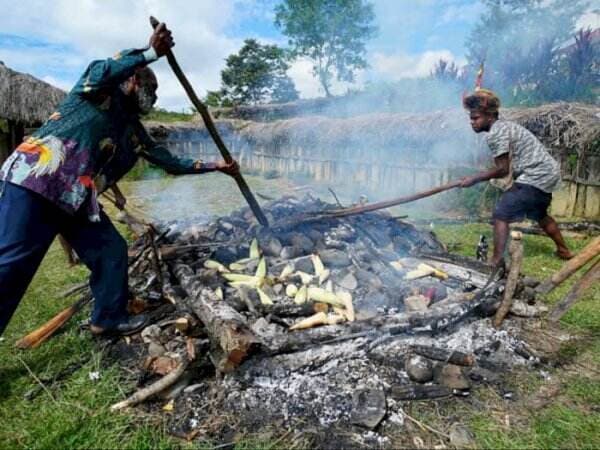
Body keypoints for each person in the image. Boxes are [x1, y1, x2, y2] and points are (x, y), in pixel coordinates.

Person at [0, 23, 239, 337]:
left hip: (74, 199)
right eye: (149, 90)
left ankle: (108, 318)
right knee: (12, 265)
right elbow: (105, 69)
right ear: (132, 81)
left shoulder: (131, 130)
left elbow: (169, 161)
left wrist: (217, 166)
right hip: (37, 180)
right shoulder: (96, 90)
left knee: (111, 249)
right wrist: (151, 52)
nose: (152, 99)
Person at [460, 89, 573, 267]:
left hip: (537, 174)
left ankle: (496, 262)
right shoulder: (504, 127)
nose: (472, 122)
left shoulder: (496, 133)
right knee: (540, 214)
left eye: (476, 118)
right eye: (471, 118)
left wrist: (474, 179)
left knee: (501, 214)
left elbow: (503, 170)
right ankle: (564, 250)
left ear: (489, 116)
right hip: (547, 173)